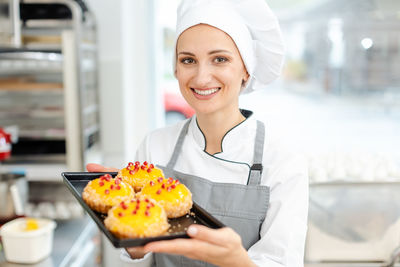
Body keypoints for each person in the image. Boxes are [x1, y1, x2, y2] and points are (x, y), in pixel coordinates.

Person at [87, 0, 309, 266]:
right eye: (188, 60)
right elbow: (141, 258)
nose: (202, 78)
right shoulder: (156, 146)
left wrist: (239, 262)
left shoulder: (283, 161)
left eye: (220, 59)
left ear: (246, 70)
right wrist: (132, 244)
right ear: (176, 69)